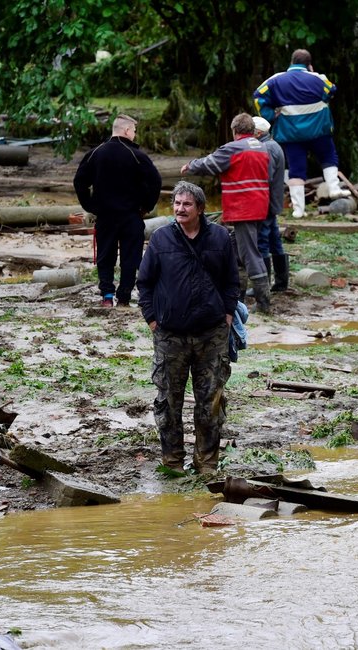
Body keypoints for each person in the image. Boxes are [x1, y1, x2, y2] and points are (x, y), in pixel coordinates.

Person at [136, 180, 239, 475]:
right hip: (170, 335)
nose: (180, 209)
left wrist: (228, 314)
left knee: (212, 402)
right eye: (177, 204)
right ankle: (172, 463)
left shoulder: (220, 237)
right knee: (168, 402)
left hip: (212, 333)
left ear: (200, 209)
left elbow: (232, 281)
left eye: (186, 205)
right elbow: (144, 282)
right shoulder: (161, 239)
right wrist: (152, 319)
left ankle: (206, 464)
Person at [180, 112, 272, 312]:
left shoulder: (233, 148)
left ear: (235, 131)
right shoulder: (261, 147)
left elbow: (210, 163)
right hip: (259, 204)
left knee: (249, 253)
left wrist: (190, 166)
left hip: (243, 206)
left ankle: (263, 303)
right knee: (238, 252)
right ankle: (236, 298)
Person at [74, 114, 162, 308]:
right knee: (130, 257)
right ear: (127, 131)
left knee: (106, 255)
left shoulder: (95, 153)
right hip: (131, 215)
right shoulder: (137, 156)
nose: (135, 135)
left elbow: (79, 181)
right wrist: (146, 206)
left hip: (105, 215)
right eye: (134, 131)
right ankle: (124, 297)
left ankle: (106, 295)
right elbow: (155, 181)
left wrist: (89, 205)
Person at [253, 48, 350, 220]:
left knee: (296, 170)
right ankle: (334, 188)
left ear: (291, 62)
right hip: (318, 131)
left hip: (291, 134)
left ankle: (299, 210)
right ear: (309, 65)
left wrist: (269, 116)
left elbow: (258, 95)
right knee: (329, 157)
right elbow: (331, 91)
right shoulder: (318, 79)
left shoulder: (276, 80)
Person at [252, 116, 290, 292]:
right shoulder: (274, 145)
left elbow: (265, 177)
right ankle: (281, 283)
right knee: (275, 241)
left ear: (258, 133)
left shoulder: (265, 148)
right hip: (273, 201)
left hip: (265, 203)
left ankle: (263, 285)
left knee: (262, 242)